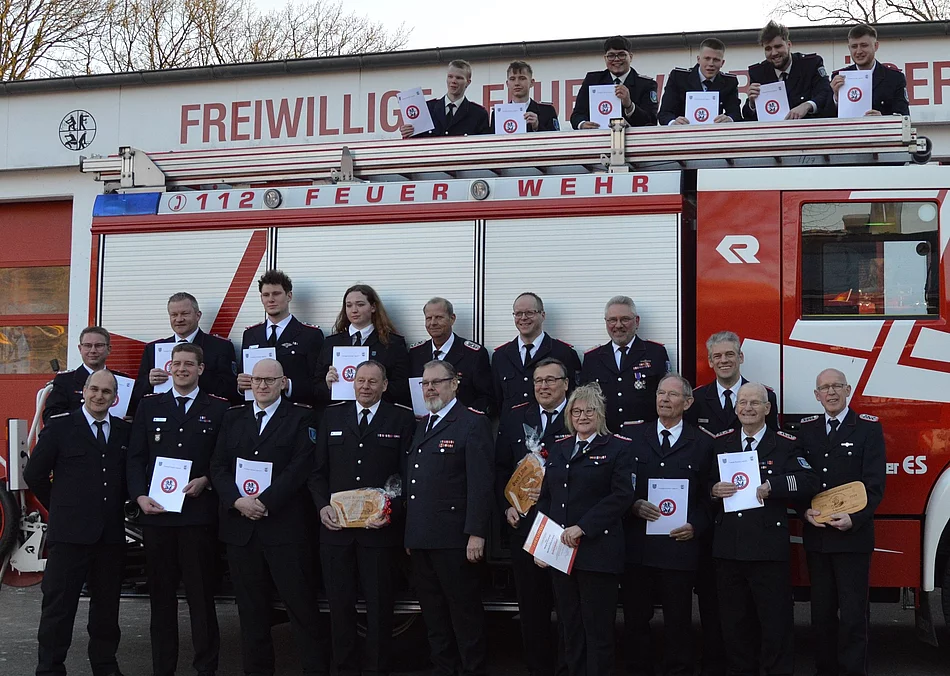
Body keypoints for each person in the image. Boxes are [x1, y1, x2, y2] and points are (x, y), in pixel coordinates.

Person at [210, 358, 327, 676]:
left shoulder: (302, 417)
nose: (262, 385)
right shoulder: (234, 417)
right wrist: (237, 501)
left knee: (301, 610)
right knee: (251, 614)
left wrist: (264, 502)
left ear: (282, 383)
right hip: (241, 530)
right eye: (257, 380)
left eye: (269, 380)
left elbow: (300, 468)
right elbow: (218, 466)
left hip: (284, 530)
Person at [127, 343, 229, 676]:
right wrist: (140, 496)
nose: (182, 369)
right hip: (157, 518)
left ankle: (205, 668)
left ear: (201, 369)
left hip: (198, 518)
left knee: (201, 600)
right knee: (162, 601)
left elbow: (224, 460)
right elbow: (136, 457)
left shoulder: (218, 409)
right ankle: (163, 668)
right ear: (169, 368)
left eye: (189, 364)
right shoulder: (149, 405)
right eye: (177, 364)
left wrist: (206, 480)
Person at [309, 360, 415, 676]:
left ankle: (377, 669)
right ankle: (344, 668)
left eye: (373, 381)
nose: (365, 386)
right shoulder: (332, 415)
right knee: (339, 608)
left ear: (384, 385)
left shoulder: (402, 418)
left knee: (380, 609)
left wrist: (388, 513)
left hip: (378, 532)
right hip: (336, 531)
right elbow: (317, 474)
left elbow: (407, 478)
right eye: (360, 380)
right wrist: (321, 508)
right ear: (352, 383)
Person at [25, 369, 131, 676]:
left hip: (109, 537)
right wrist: (60, 507)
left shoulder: (123, 432)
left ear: (115, 399)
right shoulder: (60, 427)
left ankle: (105, 665)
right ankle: (49, 668)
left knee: (107, 609)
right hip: (69, 536)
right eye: (94, 389)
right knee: (59, 608)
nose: (99, 396)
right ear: (83, 392)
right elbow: (35, 475)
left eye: (106, 392)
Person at [684, 330, 777, 676]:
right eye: (717, 356)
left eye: (730, 354)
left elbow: (771, 450)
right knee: (713, 597)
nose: (723, 360)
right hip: (713, 514)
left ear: (740, 357)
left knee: (751, 604)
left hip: (753, 518)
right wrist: (708, 493)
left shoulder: (763, 396)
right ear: (709, 361)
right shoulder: (696, 399)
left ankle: (750, 663)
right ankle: (716, 663)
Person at [710, 382, 818, 676]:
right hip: (729, 547)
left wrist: (776, 486)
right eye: (742, 403)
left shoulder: (784, 442)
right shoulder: (721, 443)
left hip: (768, 548)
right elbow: (702, 485)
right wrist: (713, 489)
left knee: (775, 624)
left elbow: (808, 479)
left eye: (755, 403)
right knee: (734, 624)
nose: (747, 408)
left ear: (767, 409)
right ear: (735, 408)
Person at [535, 382, 635, 676]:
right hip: (561, 554)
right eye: (576, 411)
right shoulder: (560, 448)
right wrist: (540, 545)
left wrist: (583, 527)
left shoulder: (618, 448)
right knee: (569, 626)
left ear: (600, 413)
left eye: (589, 410)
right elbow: (547, 499)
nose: (582, 416)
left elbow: (621, 497)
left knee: (598, 629)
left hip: (597, 553)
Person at [404, 360, 494, 676]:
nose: (430, 388)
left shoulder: (471, 423)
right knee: (434, 615)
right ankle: (445, 668)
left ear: (454, 383)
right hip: (423, 538)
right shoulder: (422, 424)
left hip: (455, 540)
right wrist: (411, 535)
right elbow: (416, 484)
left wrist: (477, 533)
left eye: (437, 382)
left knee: (464, 614)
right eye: (425, 383)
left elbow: (481, 483)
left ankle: (472, 669)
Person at [622, 373, 713, 676]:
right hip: (639, 548)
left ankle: (679, 669)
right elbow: (619, 487)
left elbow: (710, 497)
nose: (664, 399)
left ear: (687, 403)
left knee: (678, 621)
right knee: (636, 619)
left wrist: (696, 526)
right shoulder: (634, 438)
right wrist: (632, 505)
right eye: (661, 393)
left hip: (679, 547)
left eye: (673, 395)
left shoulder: (702, 444)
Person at [799, 368, 886, 676]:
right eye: (824, 387)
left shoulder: (867, 429)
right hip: (819, 538)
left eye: (837, 386)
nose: (831, 392)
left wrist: (855, 518)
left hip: (853, 538)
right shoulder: (806, 430)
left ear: (849, 390)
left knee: (852, 616)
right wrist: (803, 512)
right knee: (821, 616)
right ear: (816, 395)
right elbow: (801, 479)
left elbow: (875, 485)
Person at [495, 357, 571, 676]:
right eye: (539, 381)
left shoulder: (578, 415)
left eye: (551, 380)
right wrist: (507, 505)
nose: (544, 386)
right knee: (532, 607)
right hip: (525, 525)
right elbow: (499, 467)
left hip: (565, 528)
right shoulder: (515, 418)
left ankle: (569, 668)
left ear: (566, 384)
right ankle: (538, 668)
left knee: (568, 607)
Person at [580, 296, 671, 434]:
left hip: (645, 437)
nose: (618, 325)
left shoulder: (655, 353)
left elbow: (667, 398)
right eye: (612, 320)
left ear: (637, 321)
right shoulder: (592, 358)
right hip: (605, 439)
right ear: (606, 322)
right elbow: (583, 402)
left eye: (625, 319)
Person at [133, 292, 240, 407]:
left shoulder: (220, 347)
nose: (179, 319)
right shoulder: (153, 349)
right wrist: (149, 382)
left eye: (185, 314)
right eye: (174, 315)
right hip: (164, 415)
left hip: (206, 413)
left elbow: (231, 390)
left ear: (198, 315)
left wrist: (192, 374)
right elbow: (136, 394)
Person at [239, 269, 325, 406]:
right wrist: (240, 386)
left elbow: (319, 384)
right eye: (266, 295)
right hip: (259, 414)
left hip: (295, 414)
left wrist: (288, 385)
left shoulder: (310, 335)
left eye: (276, 294)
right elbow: (242, 378)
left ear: (289, 296)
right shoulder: (250, 335)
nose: (271, 299)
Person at [317, 284, 411, 408]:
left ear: (373, 307)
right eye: (349, 305)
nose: (354, 310)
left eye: (360, 304)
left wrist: (373, 389)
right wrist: (328, 385)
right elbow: (315, 388)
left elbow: (402, 387)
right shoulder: (330, 343)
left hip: (380, 415)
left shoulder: (392, 343)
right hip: (339, 415)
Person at [492, 292, 581, 414]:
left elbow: (573, 397)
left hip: (552, 429)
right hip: (512, 430)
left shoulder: (564, 353)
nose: (523, 318)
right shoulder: (501, 356)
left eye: (530, 313)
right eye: (518, 313)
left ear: (542, 315)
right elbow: (496, 400)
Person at [409, 297, 494, 415]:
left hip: (460, 427)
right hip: (424, 426)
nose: (433, 323)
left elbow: (486, 398)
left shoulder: (473, 354)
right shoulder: (416, 353)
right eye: (429, 318)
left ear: (452, 319)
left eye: (439, 317)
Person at [742, 21, 833, 121]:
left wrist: (807, 105)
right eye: (768, 49)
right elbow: (748, 116)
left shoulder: (811, 64)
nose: (774, 53)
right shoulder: (758, 73)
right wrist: (752, 103)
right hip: (774, 133)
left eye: (778, 46)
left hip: (808, 131)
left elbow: (826, 93)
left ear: (789, 44)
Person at [43, 326, 133, 423]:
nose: (93, 350)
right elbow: (50, 416)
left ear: (109, 349)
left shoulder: (123, 381)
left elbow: (137, 414)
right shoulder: (65, 380)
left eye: (99, 345)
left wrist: (133, 420)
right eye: (88, 345)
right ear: (80, 348)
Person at [570, 35, 658, 129]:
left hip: (633, 141)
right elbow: (577, 115)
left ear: (630, 57)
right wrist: (582, 124)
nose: (616, 59)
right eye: (611, 55)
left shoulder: (646, 84)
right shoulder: (592, 80)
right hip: (599, 140)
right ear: (605, 58)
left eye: (621, 54)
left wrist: (630, 106)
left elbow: (651, 121)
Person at [829, 24, 910, 117]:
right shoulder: (838, 78)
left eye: (864, 45)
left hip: (881, 131)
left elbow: (904, 117)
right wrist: (836, 98)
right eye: (854, 46)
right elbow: (826, 119)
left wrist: (882, 119)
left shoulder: (895, 78)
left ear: (876, 46)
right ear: (849, 48)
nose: (859, 51)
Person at [658, 38, 742, 125]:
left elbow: (736, 114)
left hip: (714, 135)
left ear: (722, 63)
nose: (711, 64)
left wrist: (729, 119)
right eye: (707, 58)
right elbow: (664, 114)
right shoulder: (678, 77)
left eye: (716, 60)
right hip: (682, 135)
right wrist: (673, 122)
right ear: (698, 59)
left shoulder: (730, 82)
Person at [400, 60, 491, 138]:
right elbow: (414, 144)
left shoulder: (478, 114)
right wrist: (407, 132)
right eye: (450, 76)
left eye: (459, 78)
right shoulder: (427, 109)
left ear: (468, 82)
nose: (453, 81)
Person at [489, 61, 560, 132]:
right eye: (512, 79)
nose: (517, 83)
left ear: (532, 83)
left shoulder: (547, 111)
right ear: (507, 84)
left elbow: (557, 141)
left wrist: (537, 127)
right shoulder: (498, 114)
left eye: (522, 78)